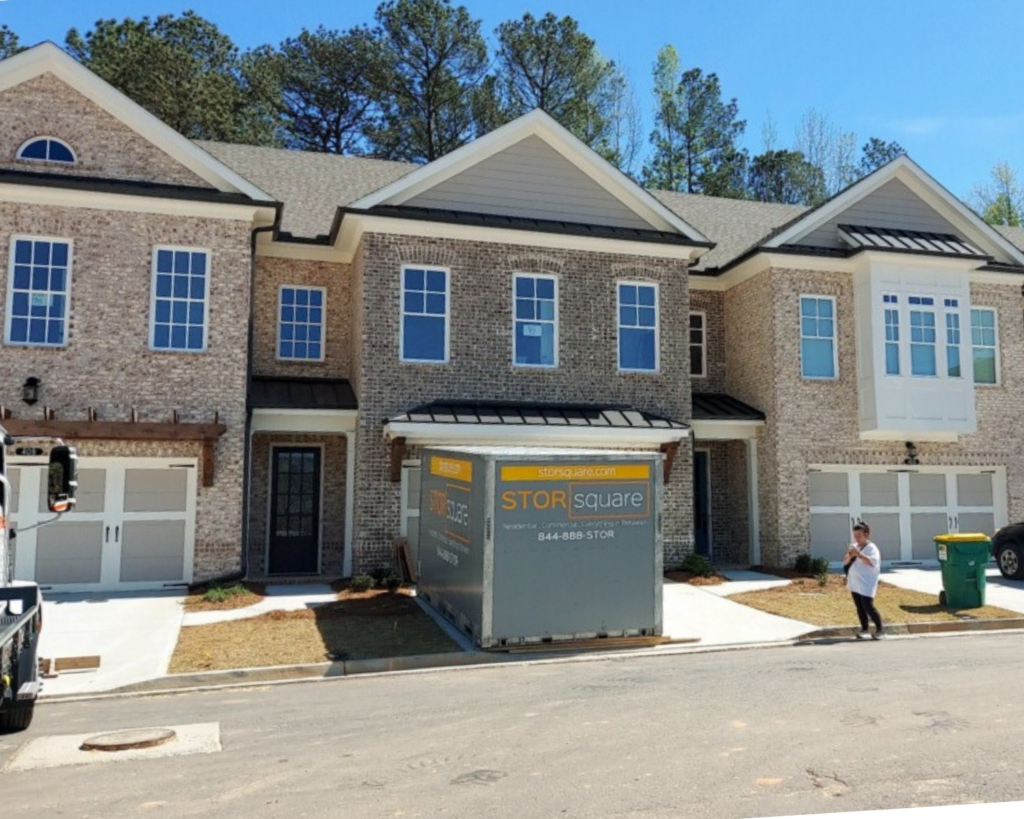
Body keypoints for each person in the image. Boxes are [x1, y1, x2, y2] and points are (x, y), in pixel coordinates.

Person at [844, 522, 885, 640]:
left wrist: (859, 555)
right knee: (859, 607)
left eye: (859, 535)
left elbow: (871, 562)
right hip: (855, 583)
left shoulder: (872, 548)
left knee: (868, 606)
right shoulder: (855, 546)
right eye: (855, 535)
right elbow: (845, 562)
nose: (857, 538)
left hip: (867, 582)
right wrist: (850, 556)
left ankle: (880, 630)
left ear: (866, 534)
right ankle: (864, 629)